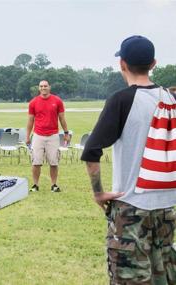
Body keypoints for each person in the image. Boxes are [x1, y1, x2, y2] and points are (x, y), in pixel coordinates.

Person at [81, 35, 176, 284]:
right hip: (166, 209)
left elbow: (92, 150)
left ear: (122, 63)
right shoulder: (170, 99)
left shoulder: (122, 100)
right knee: (163, 276)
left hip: (131, 207)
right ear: (153, 63)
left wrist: (99, 192)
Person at [26, 80, 70, 192]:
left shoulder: (57, 101)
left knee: (54, 162)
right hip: (38, 135)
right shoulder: (33, 102)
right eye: (41, 86)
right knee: (36, 162)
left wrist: (66, 133)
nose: (43, 88)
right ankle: (35, 185)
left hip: (53, 136)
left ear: (49, 87)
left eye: (45, 86)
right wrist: (27, 137)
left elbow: (62, 118)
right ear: (38, 88)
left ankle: (54, 185)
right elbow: (30, 121)